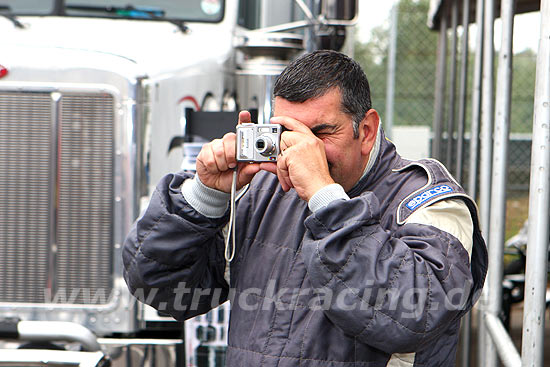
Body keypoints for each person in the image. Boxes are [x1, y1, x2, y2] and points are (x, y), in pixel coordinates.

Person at [123, 50, 488, 366]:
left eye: (322, 133)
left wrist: (326, 200)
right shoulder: (264, 188)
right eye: (289, 132)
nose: (303, 149)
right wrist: (205, 197)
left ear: (368, 130)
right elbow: (159, 288)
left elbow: (414, 316)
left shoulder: (429, 201)